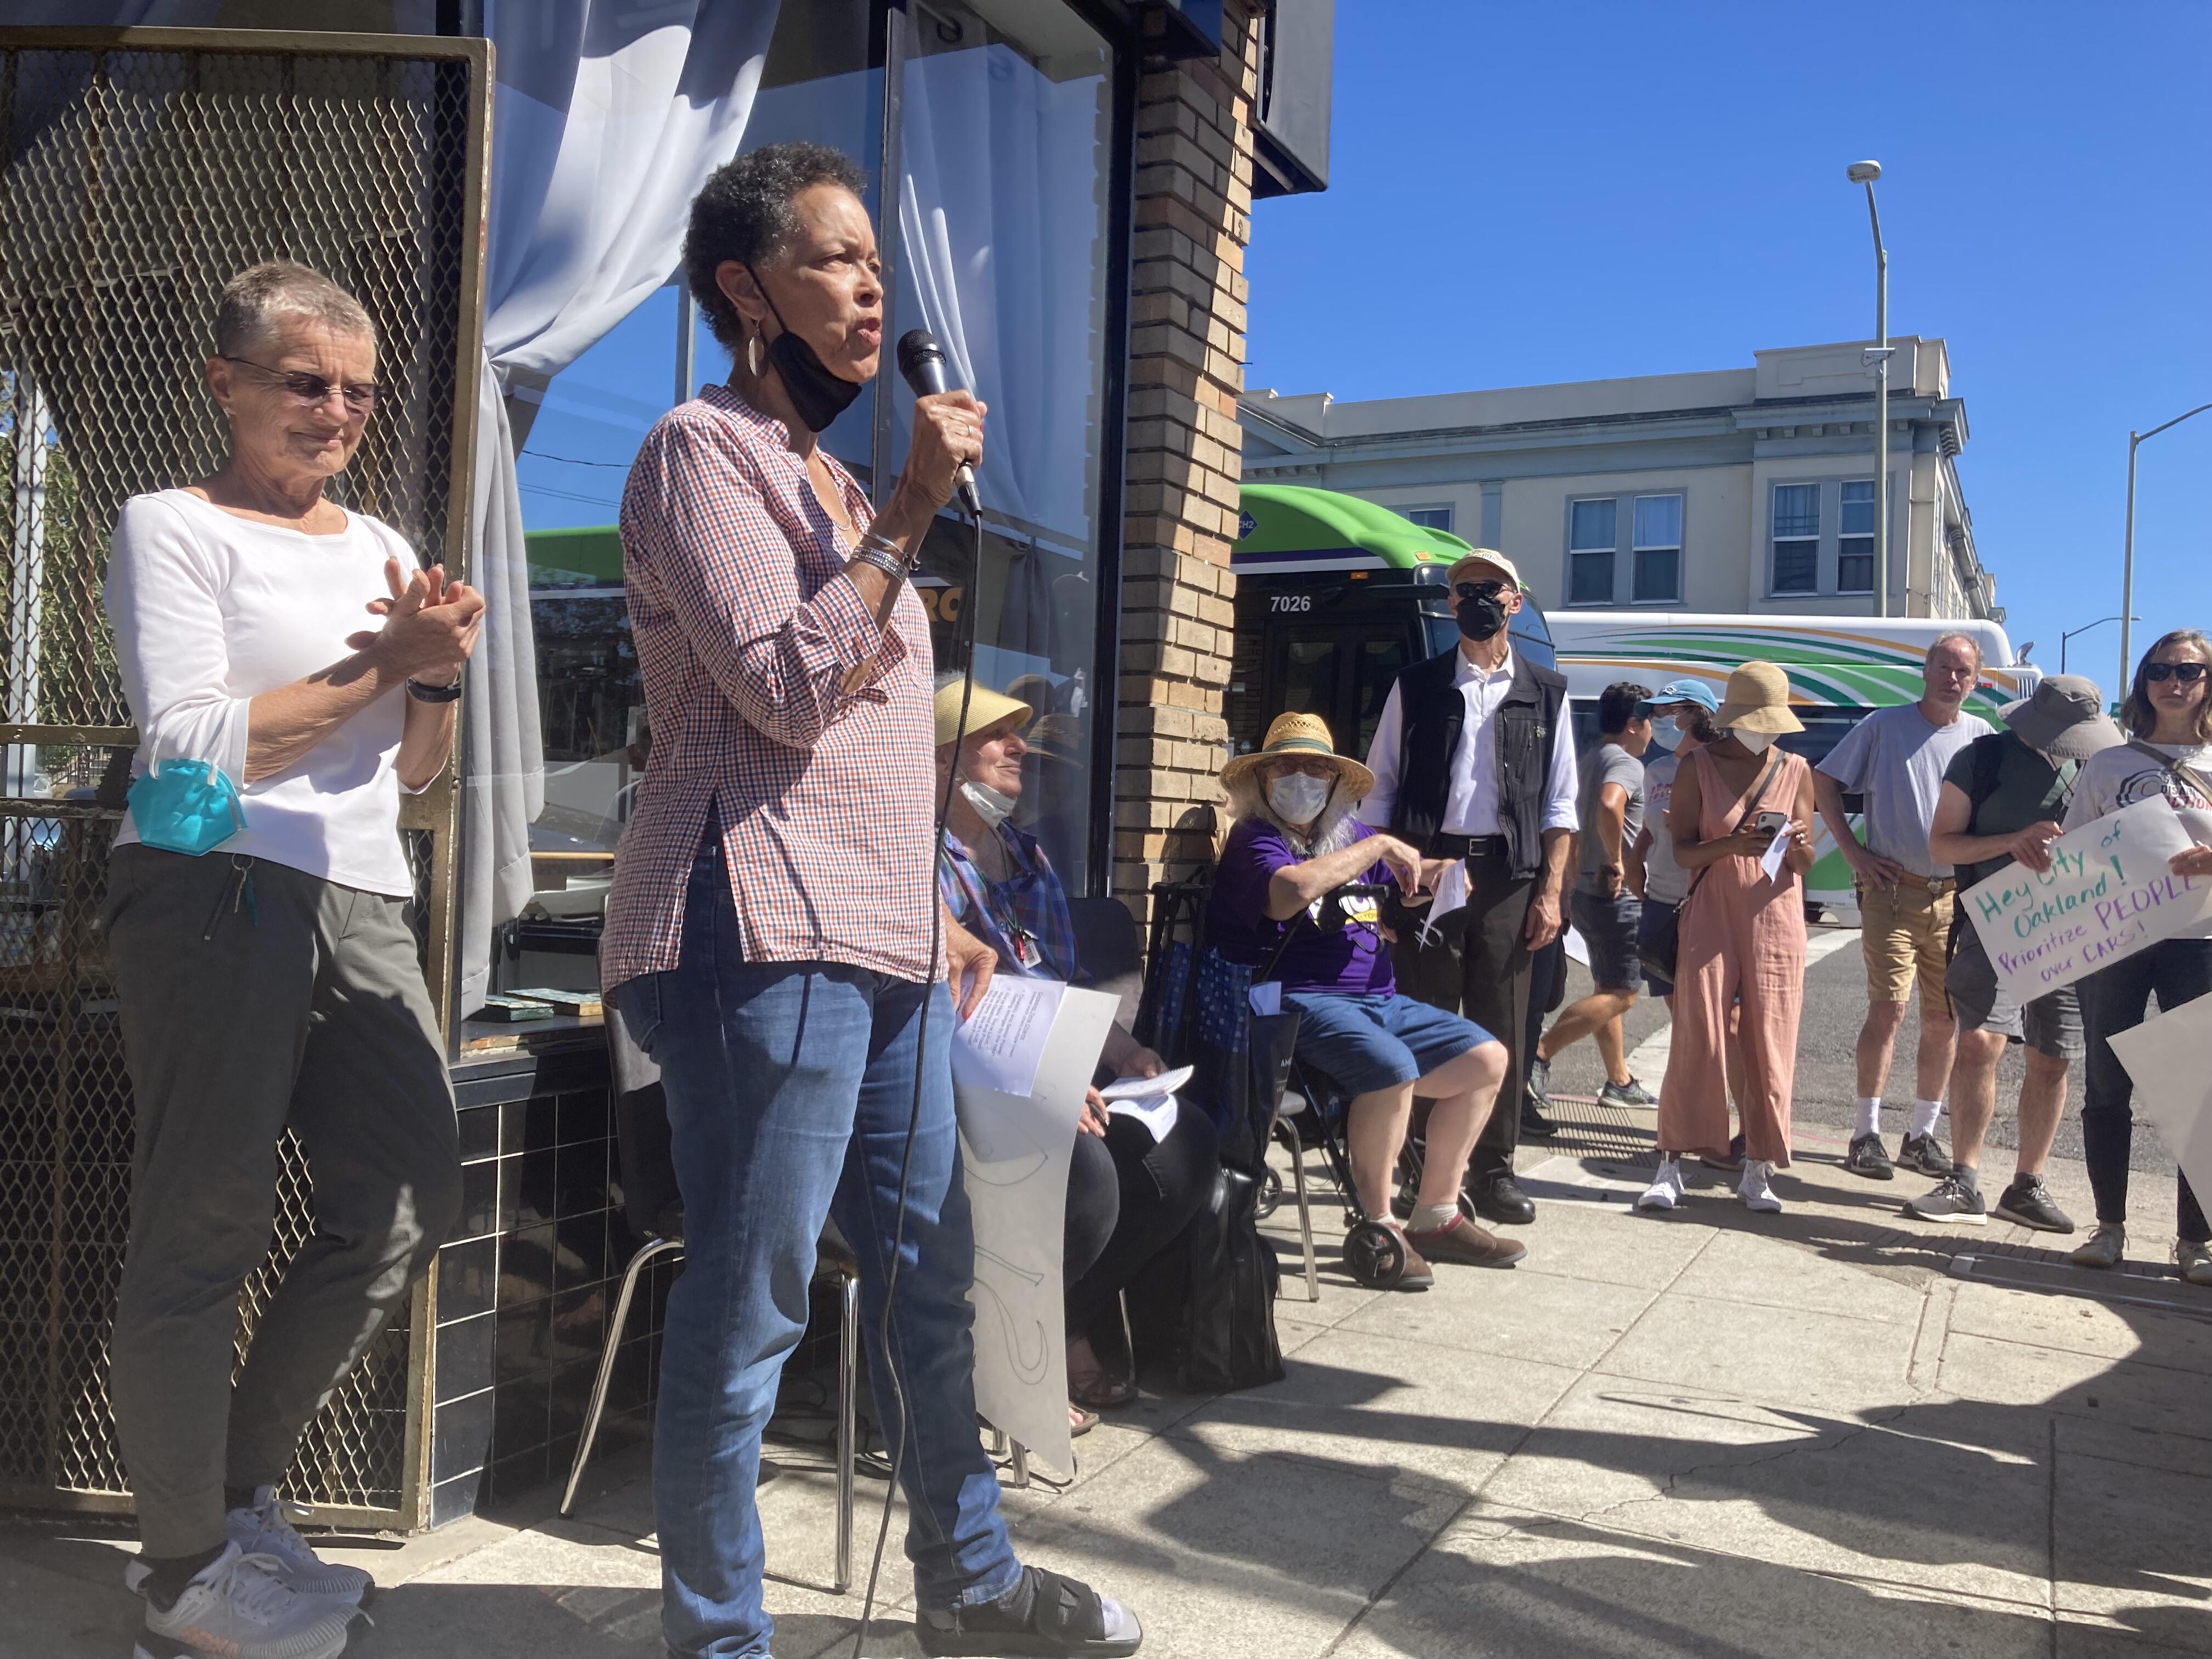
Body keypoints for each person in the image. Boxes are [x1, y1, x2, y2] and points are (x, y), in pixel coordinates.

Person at [602, 144, 1140, 1658]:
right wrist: (908, 508)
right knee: (757, 1299)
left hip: (886, 937)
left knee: (930, 1276)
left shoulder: (832, 480)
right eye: (834, 263)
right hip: (748, 933)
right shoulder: (695, 454)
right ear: (744, 289)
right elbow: (779, 692)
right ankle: (720, 1636)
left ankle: (971, 1589)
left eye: (874, 271)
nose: (866, 293)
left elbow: (875, 752)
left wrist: (940, 908)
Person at [100, 261, 484, 1659]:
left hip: (363, 891)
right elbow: (192, 752)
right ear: (228, 384)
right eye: (303, 382)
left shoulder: (381, 542)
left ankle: (241, 1504)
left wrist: (432, 670)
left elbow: (422, 772)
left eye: (357, 390)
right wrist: (390, 663)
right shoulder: (172, 526)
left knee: (404, 1205)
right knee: (203, 1222)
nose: (335, 410)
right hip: (212, 878)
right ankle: (180, 1572)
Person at [933, 679, 1218, 1429]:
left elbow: (1059, 984)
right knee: (1085, 1172)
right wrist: (1045, 1082)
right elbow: (941, 1008)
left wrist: (1123, 1052)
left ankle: (1064, 1320)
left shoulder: (1027, 855)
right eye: (995, 734)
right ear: (936, 757)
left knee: (1184, 1146)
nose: (1018, 747)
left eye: (1017, 733)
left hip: (1047, 1067)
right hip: (964, 1082)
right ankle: (1007, 1359)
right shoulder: (916, 859)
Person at [1209, 713, 1523, 1283]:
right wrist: (1380, 842)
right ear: (1262, 778)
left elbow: (1409, 870)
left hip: (1377, 998)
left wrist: (1437, 873)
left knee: (1487, 1060)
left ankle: (1436, 1214)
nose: (1302, 777)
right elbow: (1291, 893)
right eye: (1287, 766)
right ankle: (1382, 1225)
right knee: (1390, 1066)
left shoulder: (1346, 837)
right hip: (1290, 998)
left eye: (1316, 768)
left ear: (1334, 782)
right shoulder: (1254, 840)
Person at [1361, 549, 1576, 1227]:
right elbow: (1379, 789)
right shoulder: (1417, 686)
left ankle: (1493, 1170)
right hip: (1429, 872)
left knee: (1503, 1021)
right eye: (1465, 591)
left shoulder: (1546, 691)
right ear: (1450, 606)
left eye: (1492, 589)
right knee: (1424, 1017)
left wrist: (1551, 893)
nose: (1477, 599)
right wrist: (1383, 884)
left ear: (1516, 601)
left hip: (1509, 876)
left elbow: (1561, 805)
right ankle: (1420, 1167)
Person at [1906, 675, 2122, 1230]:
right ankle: (1964, 1179)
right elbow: (1942, 844)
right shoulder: (1981, 760)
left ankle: (2027, 1185)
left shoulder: (2101, 764)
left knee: (2053, 1057)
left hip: (2072, 925)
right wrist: (2012, 841)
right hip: (1993, 920)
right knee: (1979, 1043)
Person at [2060, 632, 2212, 1285]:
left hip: (2200, 942)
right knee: (2106, 1084)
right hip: (2118, 940)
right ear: (2143, 681)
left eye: (2188, 671)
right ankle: (2110, 1227)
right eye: (2159, 670)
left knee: (2196, 1093)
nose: (2173, 682)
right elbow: (2074, 852)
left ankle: (2195, 1242)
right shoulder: (2109, 766)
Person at [1814, 633, 1994, 1180]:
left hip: (1954, 898)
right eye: (1943, 667)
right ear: (1925, 669)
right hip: (1893, 891)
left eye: (1963, 670)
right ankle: (1865, 1133)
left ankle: (1921, 1136)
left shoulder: (1982, 738)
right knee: (1888, 1011)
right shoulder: (1884, 727)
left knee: (1943, 1020)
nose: (1952, 679)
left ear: (1977, 679)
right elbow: (1821, 780)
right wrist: (1854, 852)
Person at [1639, 663, 1816, 1215]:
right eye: (1757, 721)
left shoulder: (1797, 768)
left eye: (1772, 722)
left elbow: (1807, 862)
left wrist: (1798, 841)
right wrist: (1732, 846)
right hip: (1712, 906)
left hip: (1777, 912)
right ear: (1734, 718)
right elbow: (1685, 851)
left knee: (1771, 1040)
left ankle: (1758, 1168)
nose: (1765, 732)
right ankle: (1671, 1163)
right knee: (1699, 1033)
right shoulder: (1697, 767)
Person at [1631, 679, 1748, 1169]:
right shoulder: (1656, 769)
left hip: (1713, 906)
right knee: (1690, 1027)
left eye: (1670, 711)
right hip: (1663, 906)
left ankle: (1746, 1127)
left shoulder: (1724, 768)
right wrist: (1634, 870)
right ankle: (1699, 1128)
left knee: (1733, 1024)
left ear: (1697, 714)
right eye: (1657, 711)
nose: (1661, 720)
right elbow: (1645, 834)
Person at [1530, 682, 1655, 1108]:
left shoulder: (1588, 759)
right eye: (1651, 721)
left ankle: (1619, 1081)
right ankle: (1539, 1055)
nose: (1654, 731)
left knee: (1608, 986)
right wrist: (1619, 859)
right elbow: (1608, 804)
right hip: (1615, 893)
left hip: (1584, 890)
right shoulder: (1626, 764)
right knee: (1625, 994)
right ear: (1635, 725)